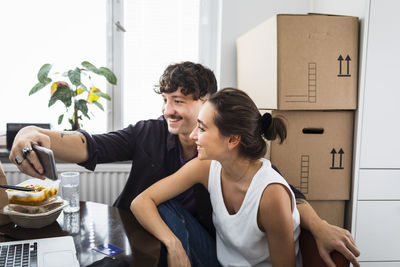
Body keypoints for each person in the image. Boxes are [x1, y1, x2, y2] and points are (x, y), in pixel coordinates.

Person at [9, 61, 360, 266]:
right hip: (148, 242)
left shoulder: (238, 164)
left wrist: (321, 226)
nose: (167, 110)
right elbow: (91, 144)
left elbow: (286, 196)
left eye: (178, 100)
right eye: (164, 100)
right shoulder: (159, 139)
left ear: (208, 103)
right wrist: (33, 133)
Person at [131, 88, 302, 266]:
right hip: (218, 262)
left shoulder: (271, 194)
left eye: (202, 129)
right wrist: (174, 245)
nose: (193, 135)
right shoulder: (206, 167)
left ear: (232, 140)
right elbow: (141, 201)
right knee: (164, 206)